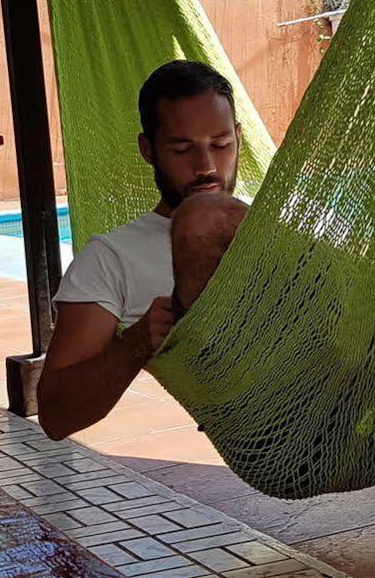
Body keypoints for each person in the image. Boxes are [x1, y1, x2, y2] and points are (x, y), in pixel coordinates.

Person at [39, 60, 250, 440]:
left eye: (220, 145)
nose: (206, 166)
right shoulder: (112, 259)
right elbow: (56, 416)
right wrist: (135, 344)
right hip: (280, 435)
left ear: (238, 138)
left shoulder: (272, 227)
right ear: (148, 150)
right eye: (183, 149)